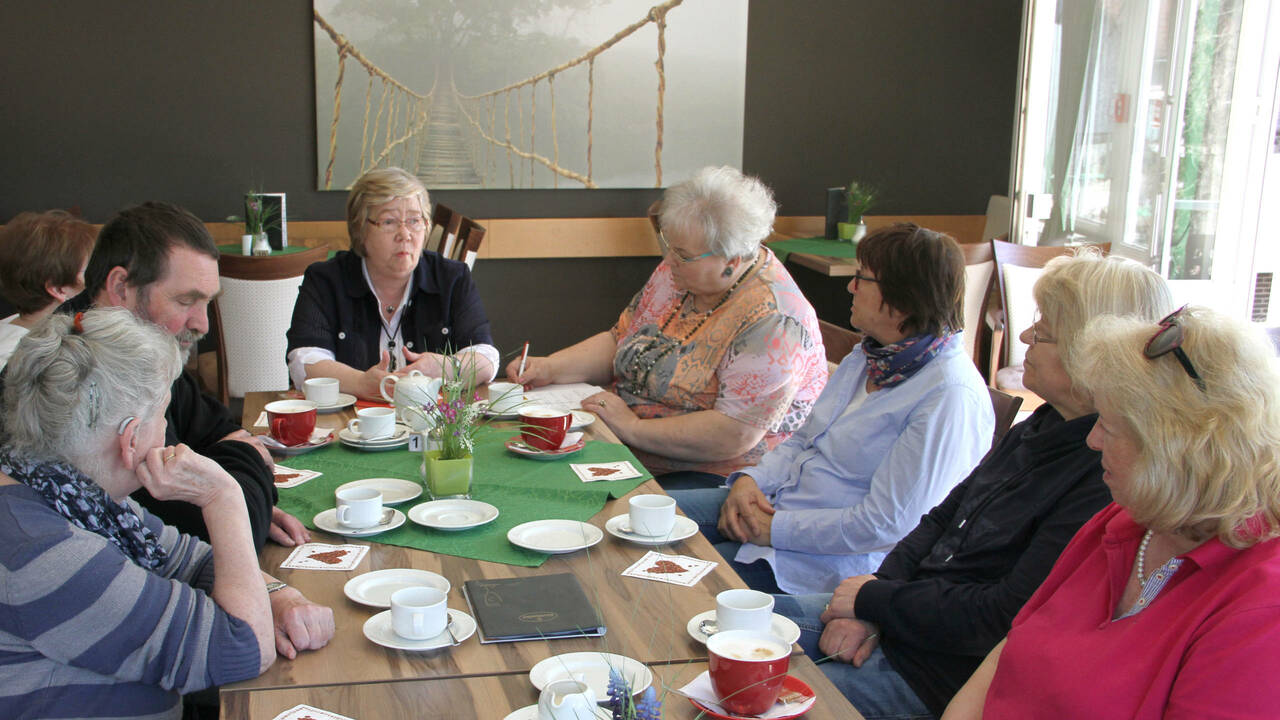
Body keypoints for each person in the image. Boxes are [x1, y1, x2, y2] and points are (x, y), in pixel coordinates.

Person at [775, 252, 1172, 719]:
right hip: (903, 617)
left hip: (934, 676)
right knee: (724, 636)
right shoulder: (1039, 425)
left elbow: (1001, 617)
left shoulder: (1103, 477)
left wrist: (876, 600)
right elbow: (941, 518)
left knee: (742, 689)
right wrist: (875, 600)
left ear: (1091, 353)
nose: (1024, 335)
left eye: (1041, 330)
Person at [944, 306, 1280, 719]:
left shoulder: (1260, 610)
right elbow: (1010, 649)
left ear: (1177, 450)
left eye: (1110, 426)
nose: (1092, 440)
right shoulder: (1123, 522)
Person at [0, 308, 333, 719]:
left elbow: (193, 560)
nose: (169, 433)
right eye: (162, 414)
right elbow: (243, 647)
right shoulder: (47, 555)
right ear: (131, 439)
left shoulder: (73, 495)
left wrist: (280, 596)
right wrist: (223, 497)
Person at [671, 223, 994, 595]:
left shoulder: (949, 396)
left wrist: (774, 530)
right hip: (777, 508)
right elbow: (801, 441)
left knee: (669, 584)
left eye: (862, 278)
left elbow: (887, 525)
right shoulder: (872, 355)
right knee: (641, 520)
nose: (850, 286)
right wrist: (750, 481)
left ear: (904, 297)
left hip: (823, 567)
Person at [507, 166, 828, 483]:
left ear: (731, 261)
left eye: (683, 254)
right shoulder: (677, 274)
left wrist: (632, 427)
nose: (669, 259)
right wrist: (550, 368)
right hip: (624, 442)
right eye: (668, 245)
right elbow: (620, 339)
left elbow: (734, 434)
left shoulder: (775, 320)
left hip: (713, 476)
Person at [75, 201, 308, 551]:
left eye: (207, 302)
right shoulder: (78, 381)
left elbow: (221, 430)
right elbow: (218, 531)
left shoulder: (144, 356)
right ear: (121, 286)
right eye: (186, 301)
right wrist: (238, 484)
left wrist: (233, 486)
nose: (203, 324)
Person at [287, 166, 497, 399]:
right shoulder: (326, 280)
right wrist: (359, 383)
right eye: (389, 222)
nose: (405, 233)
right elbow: (303, 360)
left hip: (431, 426)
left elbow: (486, 357)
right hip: (353, 426)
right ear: (360, 229)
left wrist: (448, 368)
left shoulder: (452, 277)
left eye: (415, 220)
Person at [0, 210, 95, 369]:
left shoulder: (17, 324)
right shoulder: (24, 359)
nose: (98, 278)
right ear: (58, 289)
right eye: (91, 270)